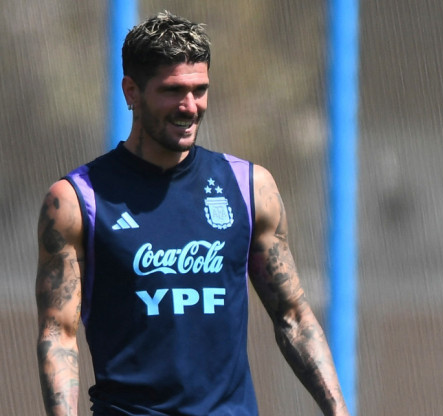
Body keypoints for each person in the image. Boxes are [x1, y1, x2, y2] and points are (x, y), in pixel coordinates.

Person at [35, 11, 349, 416]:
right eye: (172, 91)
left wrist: (339, 411)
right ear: (131, 91)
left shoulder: (249, 187)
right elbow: (58, 333)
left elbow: (293, 316)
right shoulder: (77, 201)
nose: (189, 106)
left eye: (199, 90)